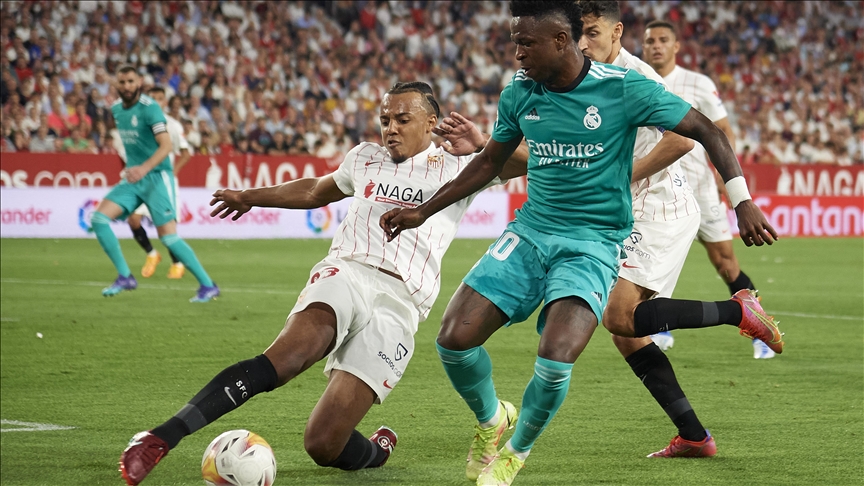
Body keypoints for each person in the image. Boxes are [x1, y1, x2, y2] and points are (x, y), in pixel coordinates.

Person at [380, 2, 781, 485]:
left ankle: (514, 454)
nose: (517, 53)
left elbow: (704, 130)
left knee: (560, 356)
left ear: (560, 41)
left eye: (526, 43)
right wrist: (423, 210)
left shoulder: (625, 86)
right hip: (530, 233)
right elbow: (492, 162)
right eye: (515, 41)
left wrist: (742, 201)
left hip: (593, 241)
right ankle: (492, 420)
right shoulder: (519, 92)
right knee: (452, 340)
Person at [118, 81, 526, 486]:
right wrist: (250, 196)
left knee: (323, 443)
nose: (391, 129)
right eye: (385, 119)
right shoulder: (364, 157)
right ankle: (160, 438)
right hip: (347, 271)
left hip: (401, 303)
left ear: (431, 122)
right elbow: (315, 190)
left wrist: (482, 143)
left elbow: (531, 162)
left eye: (403, 120)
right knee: (286, 359)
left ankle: (378, 449)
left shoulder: (464, 165)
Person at [642, 19, 776, 359]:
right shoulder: (637, 77)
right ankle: (658, 328)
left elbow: (723, 131)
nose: (656, 46)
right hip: (657, 190)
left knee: (725, 262)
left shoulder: (698, 83)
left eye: (662, 40)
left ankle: (760, 328)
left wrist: (725, 178)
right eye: (649, 41)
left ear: (676, 46)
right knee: (646, 262)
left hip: (700, 189)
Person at [94, 66, 218, 302]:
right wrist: (134, 168)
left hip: (157, 178)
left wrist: (143, 168)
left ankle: (207, 284)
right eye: (122, 82)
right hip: (133, 179)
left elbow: (166, 146)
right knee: (99, 219)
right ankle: (125, 277)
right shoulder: (117, 109)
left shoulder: (150, 108)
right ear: (116, 84)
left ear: (139, 82)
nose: (127, 86)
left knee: (168, 237)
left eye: (131, 81)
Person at [126, 86, 192, 280]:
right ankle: (152, 254)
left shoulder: (173, 125)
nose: (155, 101)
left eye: (159, 98)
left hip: (163, 181)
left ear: (165, 102)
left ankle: (177, 263)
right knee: (133, 219)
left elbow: (185, 153)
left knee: (166, 226)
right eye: (151, 97)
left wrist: (174, 172)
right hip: (143, 180)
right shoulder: (136, 123)